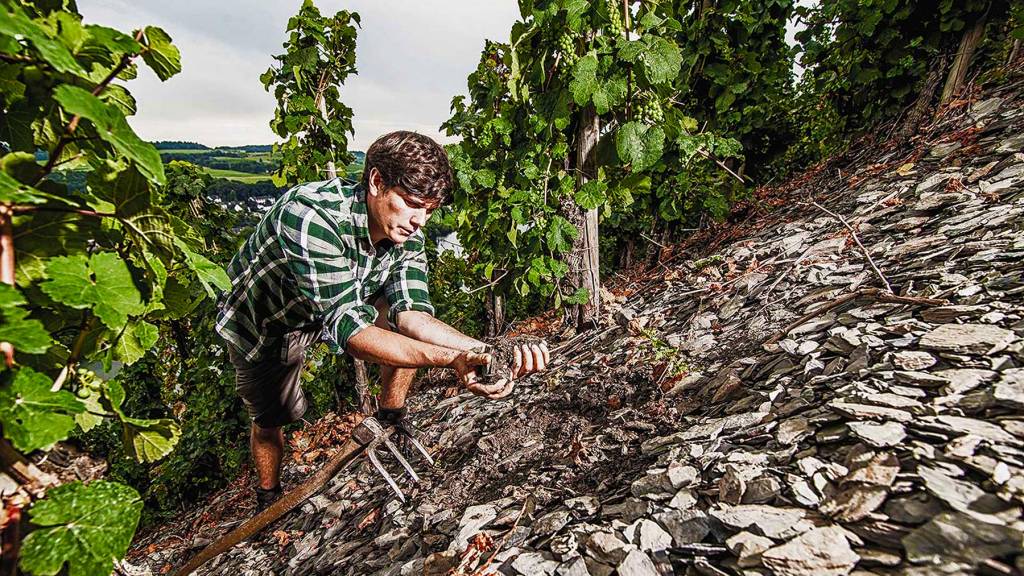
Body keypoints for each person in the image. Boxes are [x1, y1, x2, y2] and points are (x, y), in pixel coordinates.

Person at [215, 131, 549, 508]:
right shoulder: (310, 216)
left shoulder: (405, 231)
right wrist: (448, 359)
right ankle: (268, 494)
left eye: (430, 209)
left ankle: (390, 417)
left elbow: (412, 316)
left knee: (393, 315)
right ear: (376, 182)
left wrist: (485, 352)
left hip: (347, 293)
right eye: (410, 204)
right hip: (271, 323)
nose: (420, 220)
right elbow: (352, 332)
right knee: (272, 414)